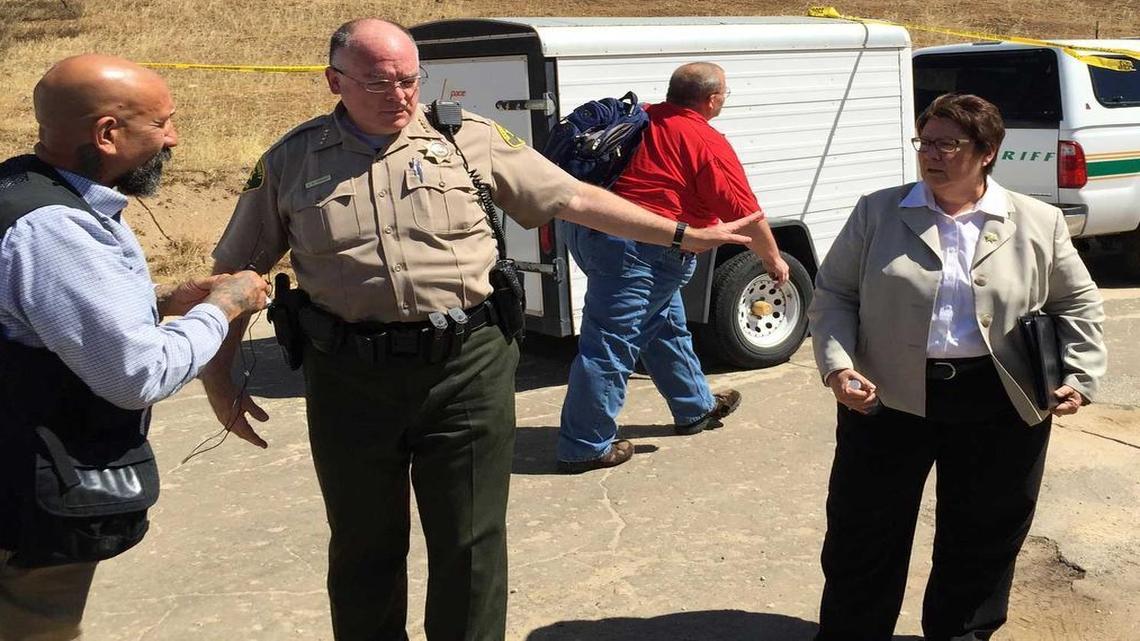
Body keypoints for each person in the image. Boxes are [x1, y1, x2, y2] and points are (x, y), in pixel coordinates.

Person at [200, 19, 759, 641]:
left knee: (471, 543)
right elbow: (234, 274)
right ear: (334, 81)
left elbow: (573, 198)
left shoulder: (468, 139)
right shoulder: (290, 159)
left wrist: (682, 234)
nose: (401, 96)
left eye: (410, 80)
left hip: (467, 365)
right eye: (380, 82)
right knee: (363, 544)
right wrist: (218, 379)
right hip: (349, 376)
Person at [807, 93, 1106, 641]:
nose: (932, 154)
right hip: (886, 399)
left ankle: (963, 633)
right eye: (926, 141)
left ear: (988, 151)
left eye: (949, 143)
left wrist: (1079, 376)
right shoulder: (878, 211)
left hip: (1000, 400)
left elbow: (1078, 302)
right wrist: (836, 366)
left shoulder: (1037, 220)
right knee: (863, 535)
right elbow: (834, 295)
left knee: (983, 536)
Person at [0, 55, 270, 641]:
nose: (173, 138)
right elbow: (138, 374)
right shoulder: (56, 228)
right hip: (26, 500)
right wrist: (220, 308)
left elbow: (38, 317)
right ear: (107, 134)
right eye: (162, 124)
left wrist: (161, 301)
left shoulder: (18, 190)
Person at [555, 62, 790, 474]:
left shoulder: (645, 115)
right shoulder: (705, 139)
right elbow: (746, 215)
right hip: (641, 247)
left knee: (665, 325)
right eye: (725, 95)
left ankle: (694, 408)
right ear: (713, 99)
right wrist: (773, 260)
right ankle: (585, 445)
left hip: (593, 233)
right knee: (610, 344)